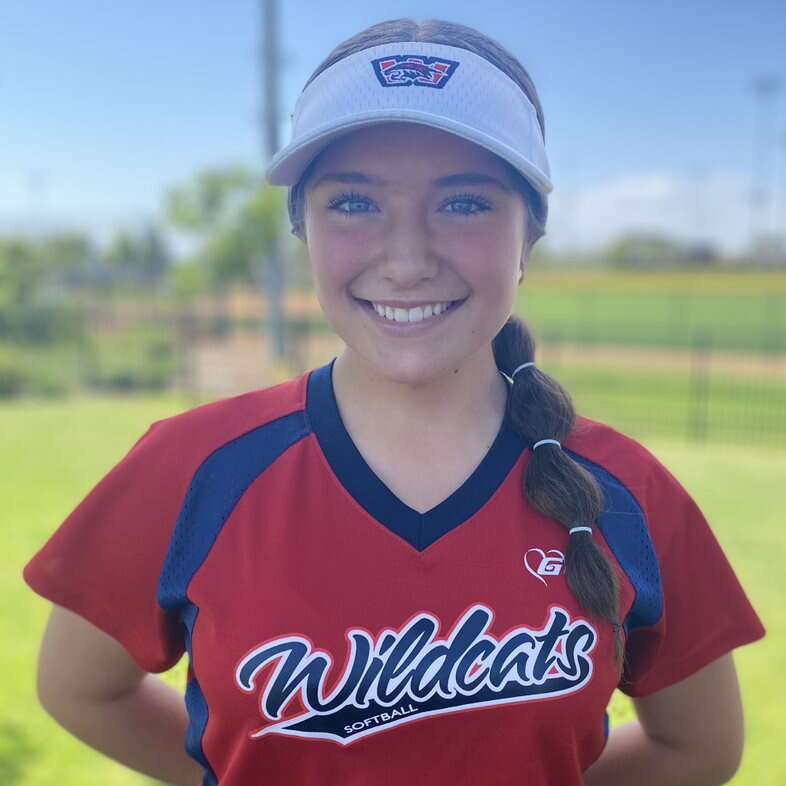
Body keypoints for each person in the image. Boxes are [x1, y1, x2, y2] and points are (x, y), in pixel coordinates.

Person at [24, 17, 765, 786]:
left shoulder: (625, 492)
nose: (406, 261)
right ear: (303, 228)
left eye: (465, 204)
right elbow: (82, 688)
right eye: (353, 203)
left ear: (530, 235)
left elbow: (698, 749)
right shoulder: (193, 468)